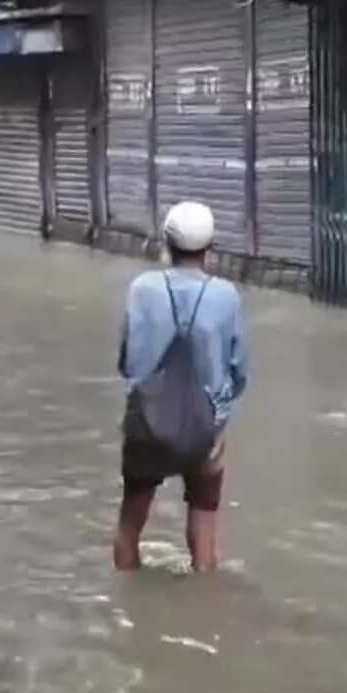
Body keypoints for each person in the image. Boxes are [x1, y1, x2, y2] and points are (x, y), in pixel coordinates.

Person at [114, 201, 249, 573]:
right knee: (204, 542)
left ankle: (128, 611)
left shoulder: (141, 289)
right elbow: (238, 373)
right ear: (210, 249)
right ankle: (204, 615)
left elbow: (127, 362)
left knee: (129, 528)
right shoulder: (226, 295)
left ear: (166, 244)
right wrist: (218, 418)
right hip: (205, 428)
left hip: (147, 424)